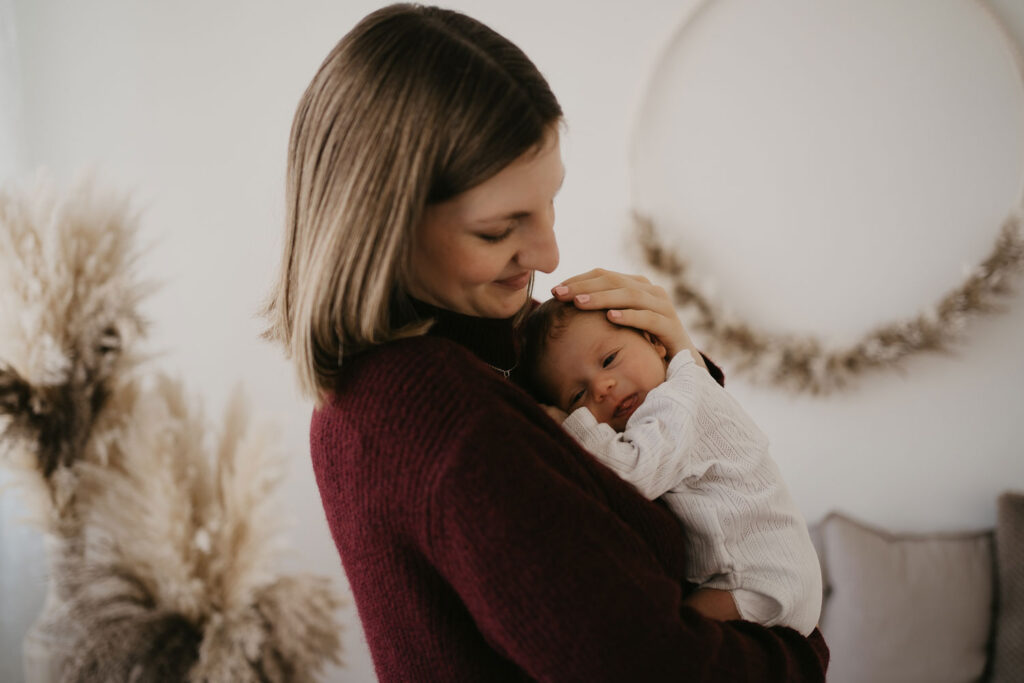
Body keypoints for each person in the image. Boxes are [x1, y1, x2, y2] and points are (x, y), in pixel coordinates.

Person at [263, 4, 829, 681]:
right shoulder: (444, 417)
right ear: (383, 226)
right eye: (498, 230)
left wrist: (677, 374)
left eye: (550, 202)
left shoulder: (484, 363)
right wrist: (799, 654)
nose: (550, 253)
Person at [518, 299, 823, 635]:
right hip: (767, 573)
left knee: (661, 639)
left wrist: (569, 424)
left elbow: (630, 477)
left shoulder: (680, 399)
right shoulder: (668, 402)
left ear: (657, 343)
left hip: (762, 577)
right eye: (578, 396)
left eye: (608, 360)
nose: (601, 387)